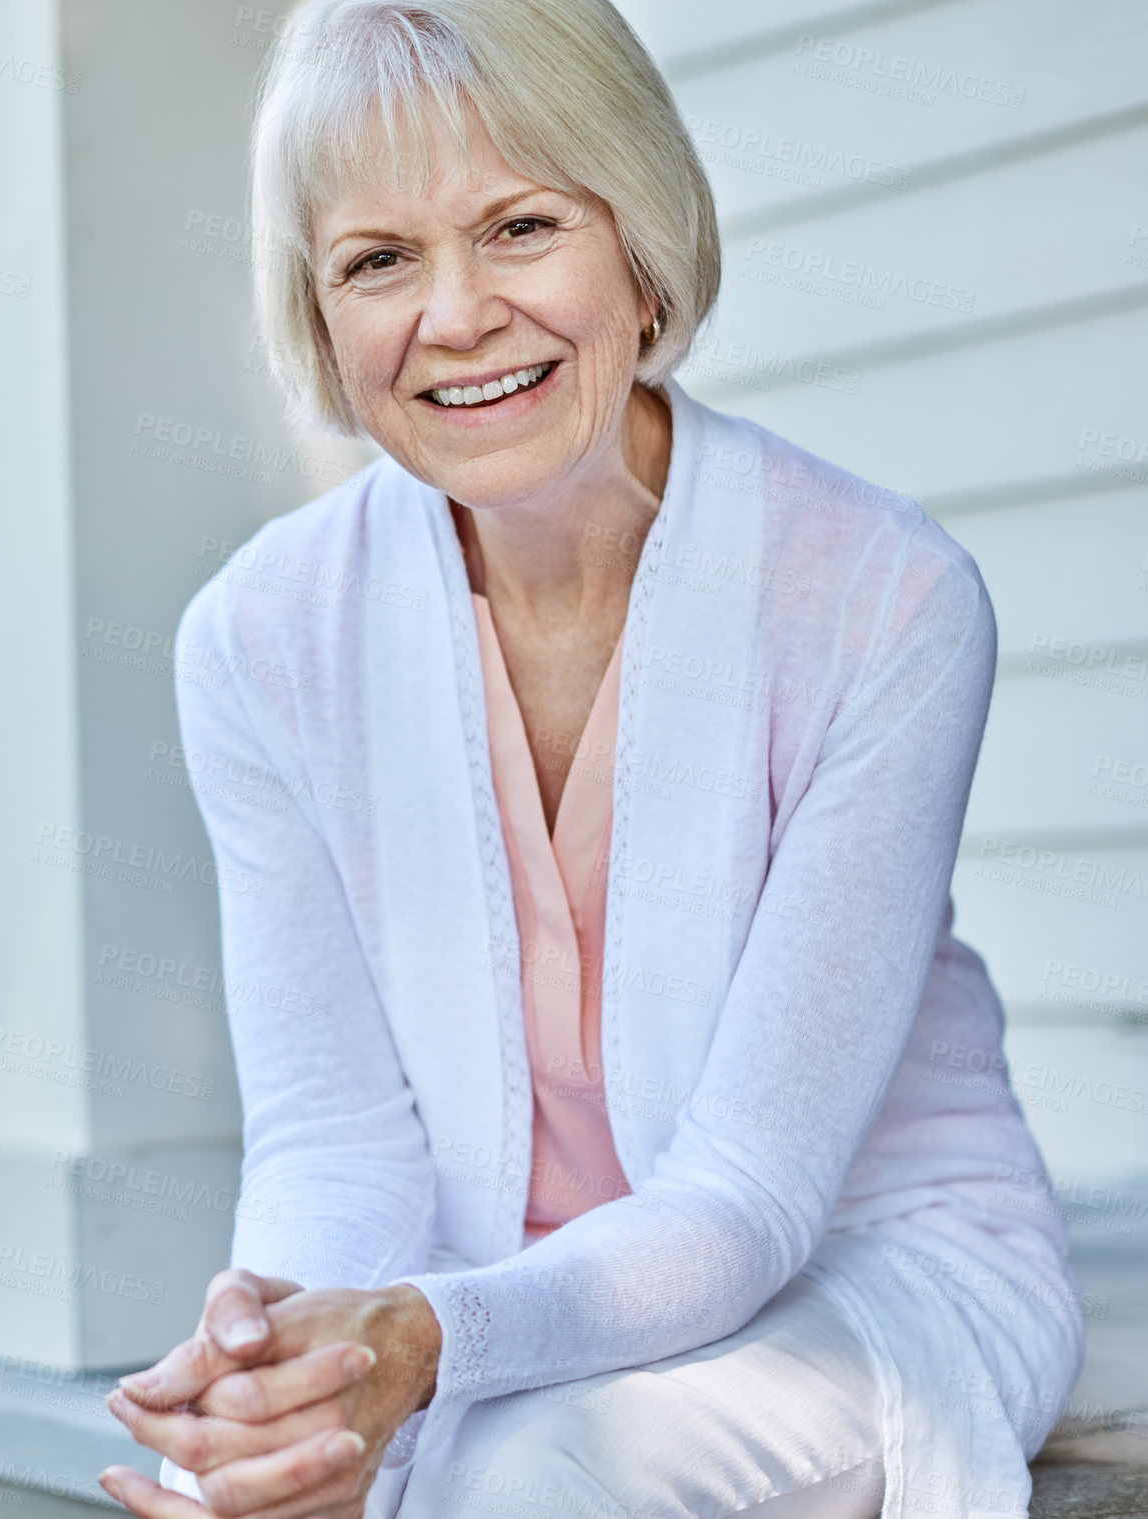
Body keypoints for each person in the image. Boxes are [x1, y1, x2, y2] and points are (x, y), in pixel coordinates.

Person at [98, 2, 1085, 1516]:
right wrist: (286, 1380)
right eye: (378, 260)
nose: (456, 314)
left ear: (640, 246)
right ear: (317, 309)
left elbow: (749, 1199)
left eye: (520, 226)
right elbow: (337, 1142)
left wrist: (425, 1340)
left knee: (537, 1469)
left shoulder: (883, 598)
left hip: (861, 1262)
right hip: (483, 1296)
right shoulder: (260, 639)